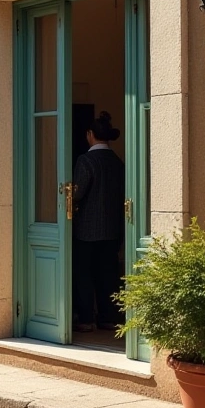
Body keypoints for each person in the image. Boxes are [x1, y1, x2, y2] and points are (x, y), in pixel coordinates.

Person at [72, 111, 125, 333]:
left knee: (83, 273)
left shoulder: (86, 160)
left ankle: (86, 318)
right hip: (112, 228)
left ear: (90, 134)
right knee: (108, 274)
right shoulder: (117, 161)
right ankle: (108, 317)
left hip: (87, 229)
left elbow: (77, 193)